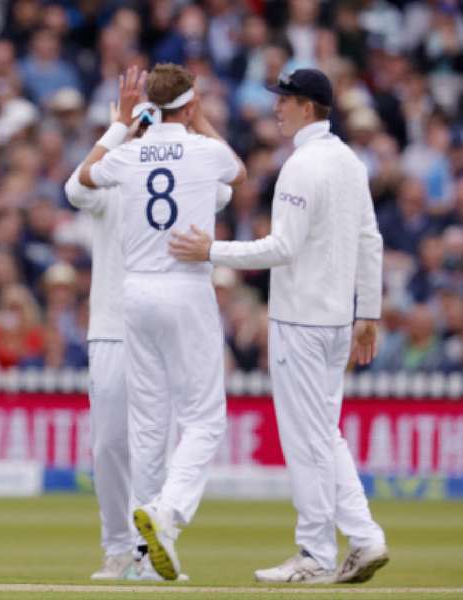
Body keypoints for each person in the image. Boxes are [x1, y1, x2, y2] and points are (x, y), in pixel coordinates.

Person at [170, 68, 388, 584]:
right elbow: (370, 239)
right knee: (322, 435)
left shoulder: (301, 166)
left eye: (285, 100)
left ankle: (316, 554)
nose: (277, 108)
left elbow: (282, 249)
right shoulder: (349, 162)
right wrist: (368, 314)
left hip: (301, 322)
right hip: (335, 320)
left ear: (307, 108)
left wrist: (211, 251)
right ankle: (363, 537)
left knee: (306, 438)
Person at [78, 64, 247, 581]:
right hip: (185, 285)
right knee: (205, 417)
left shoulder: (127, 154)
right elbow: (238, 171)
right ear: (192, 107)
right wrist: (199, 121)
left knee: (148, 428)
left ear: (151, 106)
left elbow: (84, 176)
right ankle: (167, 513)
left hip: (135, 292)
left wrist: (124, 125)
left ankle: (142, 556)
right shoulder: (204, 150)